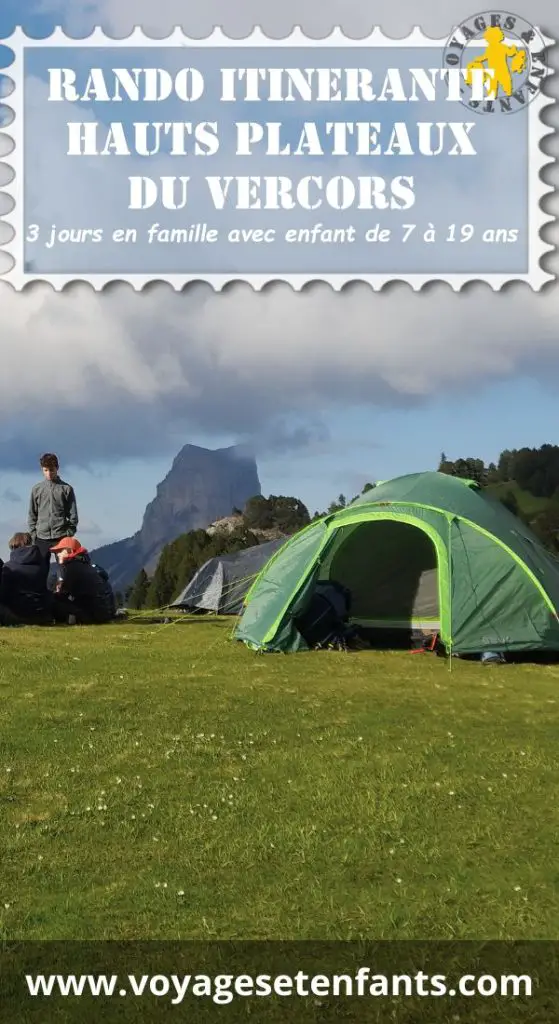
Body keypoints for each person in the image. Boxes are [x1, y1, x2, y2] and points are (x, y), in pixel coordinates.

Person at [28, 453, 79, 576]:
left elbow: (73, 514)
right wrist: (34, 535)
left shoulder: (66, 489)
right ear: (42, 470)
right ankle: (42, 594)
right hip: (41, 537)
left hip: (60, 536)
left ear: (57, 468)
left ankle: (63, 593)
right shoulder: (37, 489)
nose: (49, 473)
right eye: (46, 470)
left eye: (51, 470)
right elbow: (32, 514)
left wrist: (68, 534)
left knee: (65, 570)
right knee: (40, 571)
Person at [50, 537, 116, 624]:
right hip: (103, 614)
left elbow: (61, 593)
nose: (57, 555)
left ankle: (70, 619)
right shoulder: (88, 566)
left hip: (89, 615)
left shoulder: (67, 568)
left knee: (52, 600)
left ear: (69, 551)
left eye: (60, 551)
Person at [0, 532, 54, 624]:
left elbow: (3, 593)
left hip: (18, 613)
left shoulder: (9, 567)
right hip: (41, 612)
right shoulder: (43, 567)